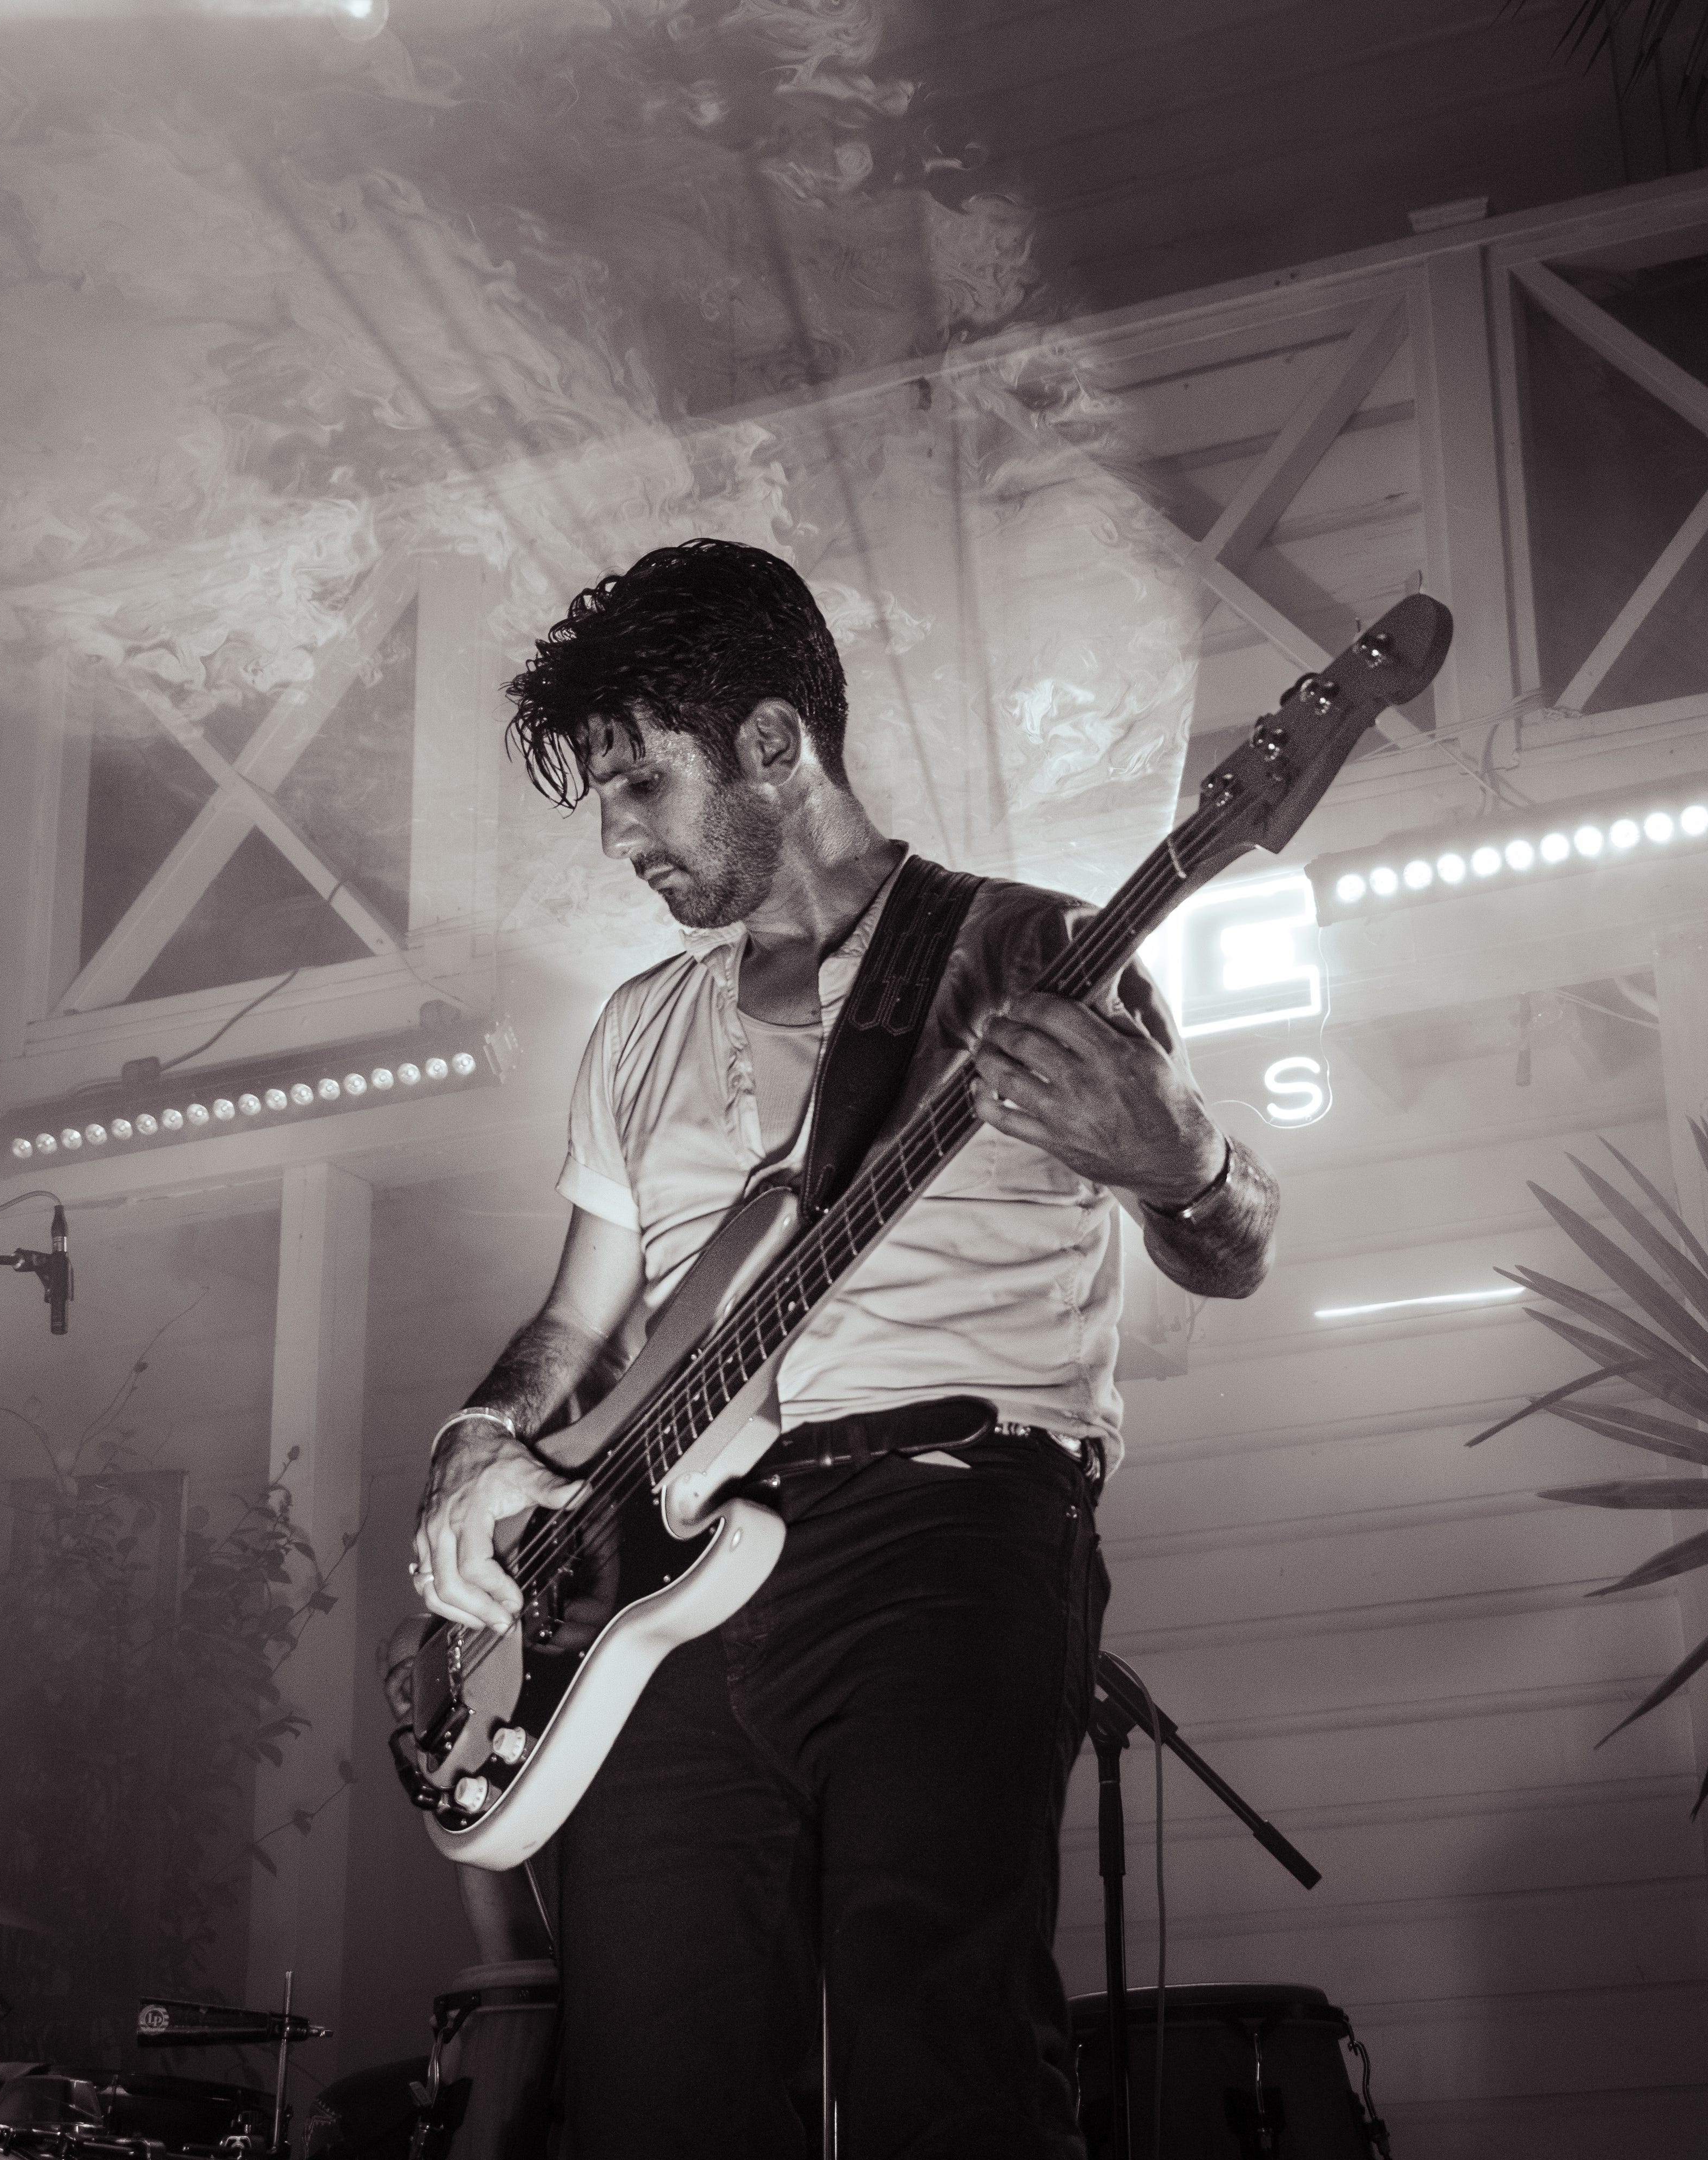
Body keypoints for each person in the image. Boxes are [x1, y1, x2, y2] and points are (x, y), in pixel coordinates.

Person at [407, 538, 1278, 2157]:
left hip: (946, 1520)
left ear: (772, 744)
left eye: (641, 782)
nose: (614, 833)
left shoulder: (1035, 952)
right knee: (654, 2091)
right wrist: (479, 1442)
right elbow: (575, 1320)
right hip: (665, 1576)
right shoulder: (637, 1027)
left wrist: (1184, 1167)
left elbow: (1231, 1251)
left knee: (940, 2048)